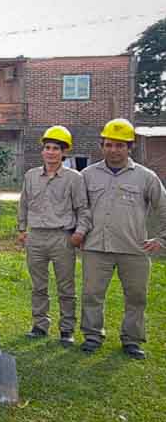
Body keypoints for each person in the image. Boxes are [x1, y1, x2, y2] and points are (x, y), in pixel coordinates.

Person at [80, 119, 165, 360]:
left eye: (120, 145)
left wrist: (162, 239)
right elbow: (78, 208)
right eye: (109, 145)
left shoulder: (146, 177)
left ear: (130, 147)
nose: (114, 150)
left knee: (136, 297)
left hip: (134, 249)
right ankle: (92, 336)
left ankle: (132, 340)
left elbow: (163, 208)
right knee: (92, 294)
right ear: (101, 146)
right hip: (97, 247)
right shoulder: (87, 175)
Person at [17, 126, 90, 345]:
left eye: (56, 148)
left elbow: (83, 209)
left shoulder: (74, 178)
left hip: (62, 238)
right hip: (36, 237)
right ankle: (40, 325)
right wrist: (22, 229)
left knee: (65, 287)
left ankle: (67, 329)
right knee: (38, 286)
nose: (50, 152)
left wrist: (80, 232)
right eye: (47, 148)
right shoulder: (31, 176)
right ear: (42, 151)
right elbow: (23, 204)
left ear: (64, 152)